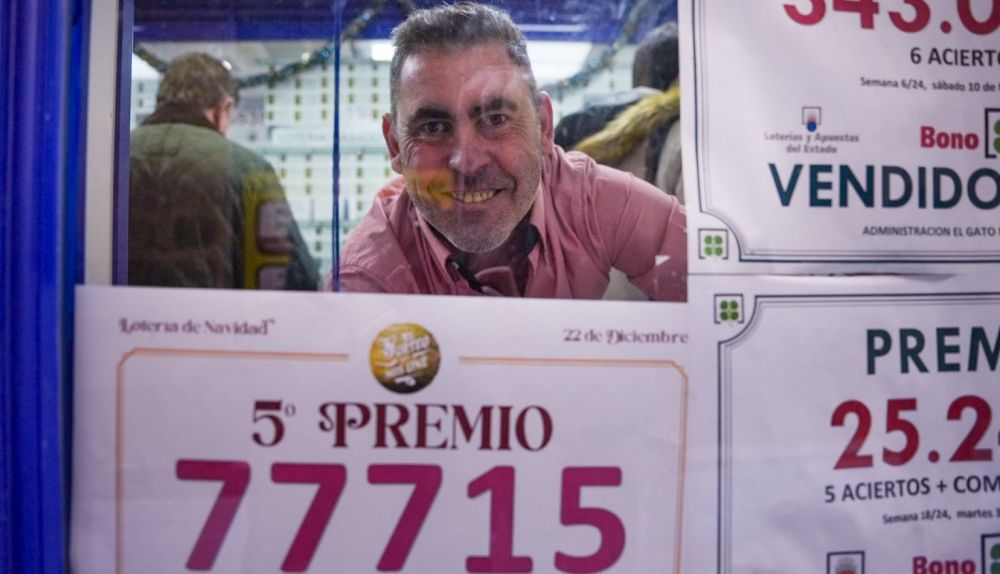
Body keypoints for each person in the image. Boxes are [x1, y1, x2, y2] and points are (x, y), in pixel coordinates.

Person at [337, 3, 686, 301]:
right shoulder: (366, 278)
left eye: (496, 118)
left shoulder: (589, 198)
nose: (467, 161)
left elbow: (722, 283)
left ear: (543, 127)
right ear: (395, 145)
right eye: (433, 127)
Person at [129, 53, 319, 290]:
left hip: (118, 322)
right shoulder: (248, 168)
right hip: (219, 324)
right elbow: (294, 274)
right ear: (224, 108)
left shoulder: (111, 158)